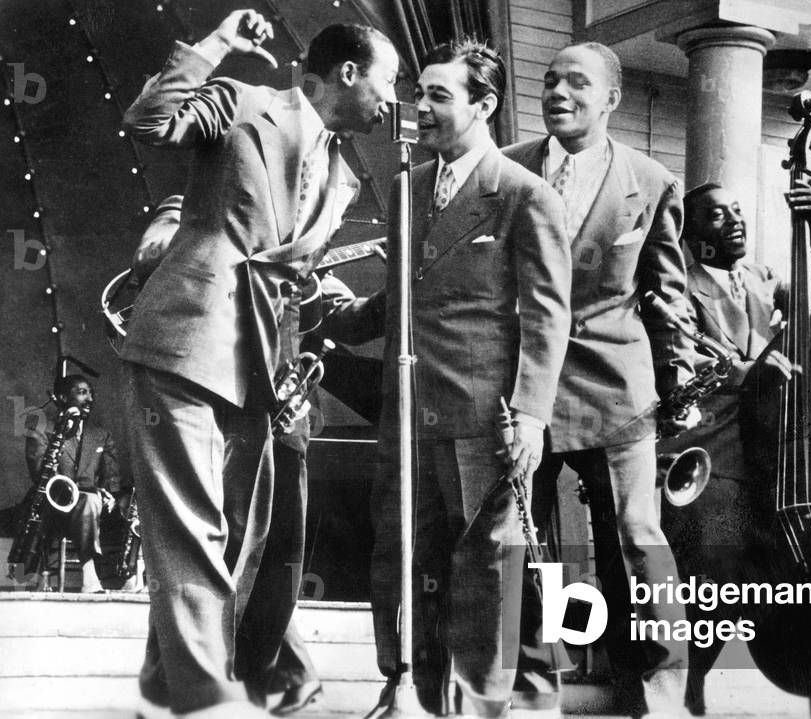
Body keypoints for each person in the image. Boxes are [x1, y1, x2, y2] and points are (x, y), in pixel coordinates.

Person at [120, 9, 398, 718]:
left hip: (260, 367)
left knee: (244, 534)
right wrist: (217, 44)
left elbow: (300, 285)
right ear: (348, 72)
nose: (392, 101)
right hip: (187, 339)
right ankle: (201, 693)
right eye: (387, 82)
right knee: (193, 527)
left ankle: (163, 685)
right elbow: (149, 123)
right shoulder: (245, 103)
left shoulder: (344, 180)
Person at [326, 38, 572, 719]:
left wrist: (530, 414)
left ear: (485, 105)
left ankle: (481, 703)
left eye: (440, 95)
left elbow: (549, 317)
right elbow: (401, 296)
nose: (422, 108)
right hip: (405, 413)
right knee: (399, 560)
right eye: (420, 92)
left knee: (483, 575)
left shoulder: (524, 195)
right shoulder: (409, 188)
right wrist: (340, 315)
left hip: (481, 421)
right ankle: (406, 690)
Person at [503, 41, 699, 717]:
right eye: (551, 80)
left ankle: (656, 696)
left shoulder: (651, 180)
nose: (557, 91)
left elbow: (666, 296)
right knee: (517, 544)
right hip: (522, 388)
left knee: (637, 539)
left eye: (576, 83)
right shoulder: (503, 170)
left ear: (612, 98)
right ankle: (528, 695)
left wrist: (677, 383)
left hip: (618, 388)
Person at [658, 181, 811, 717]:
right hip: (714, 447)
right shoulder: (678, 285)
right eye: (716, 217)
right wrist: (751, 371)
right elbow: (682, 360)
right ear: (693, 234)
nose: (733, 222)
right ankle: (691, 683)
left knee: (804, 563)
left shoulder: (765, 277)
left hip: (774, 445)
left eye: (737, 211)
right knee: (715, 569)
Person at [23, 374, 124, 593]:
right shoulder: (40, 430)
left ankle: (89, 575)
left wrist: (108, 493)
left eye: (91, 393)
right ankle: (43, 574)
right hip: (50, 504)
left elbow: (112, 478)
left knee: (90, 502)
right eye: (82, 392)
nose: (89, 399)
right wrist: (61, 430)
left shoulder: (101, 435)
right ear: (62, 397)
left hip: (87, 505)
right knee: (87, 501)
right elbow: (40, 474)